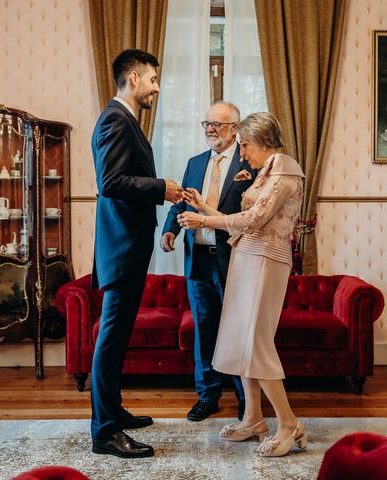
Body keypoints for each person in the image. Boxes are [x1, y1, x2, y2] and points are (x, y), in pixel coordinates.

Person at [178, 112, 307, 457]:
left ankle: (289, 423)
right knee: (239, 338)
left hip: (266, 260)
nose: (243, 152)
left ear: (263, 141)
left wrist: (205, 219)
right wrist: (202, 206)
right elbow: (240, 223)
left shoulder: (284, 171)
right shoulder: (267, 170)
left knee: (255, 341)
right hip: (246, 256)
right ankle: (253, 418)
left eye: (246, 144)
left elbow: (256, 218)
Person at [90, 48, 183, 459]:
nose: (156, 87)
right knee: (111, 339)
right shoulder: (114, 119)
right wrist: (161, 187)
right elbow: (111, 182)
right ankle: (105, 431)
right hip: (122, 248)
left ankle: (113, 412)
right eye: (152, 79)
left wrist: (160, 188)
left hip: (127, 246)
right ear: (132, 78)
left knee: (118, 336)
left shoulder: (123, 120)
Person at [160, 101, 254, 422]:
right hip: (198, 259)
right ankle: (208, 396)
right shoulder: (195, 163)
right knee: (204, 330)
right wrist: (169, 231)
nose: (210, 129)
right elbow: (182, 203)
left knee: (239, 330)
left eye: (217, 124)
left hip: (236, 260)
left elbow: (250, 215)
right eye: (206, 123)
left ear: (234, 129)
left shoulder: (249, 163)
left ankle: (246, 399)